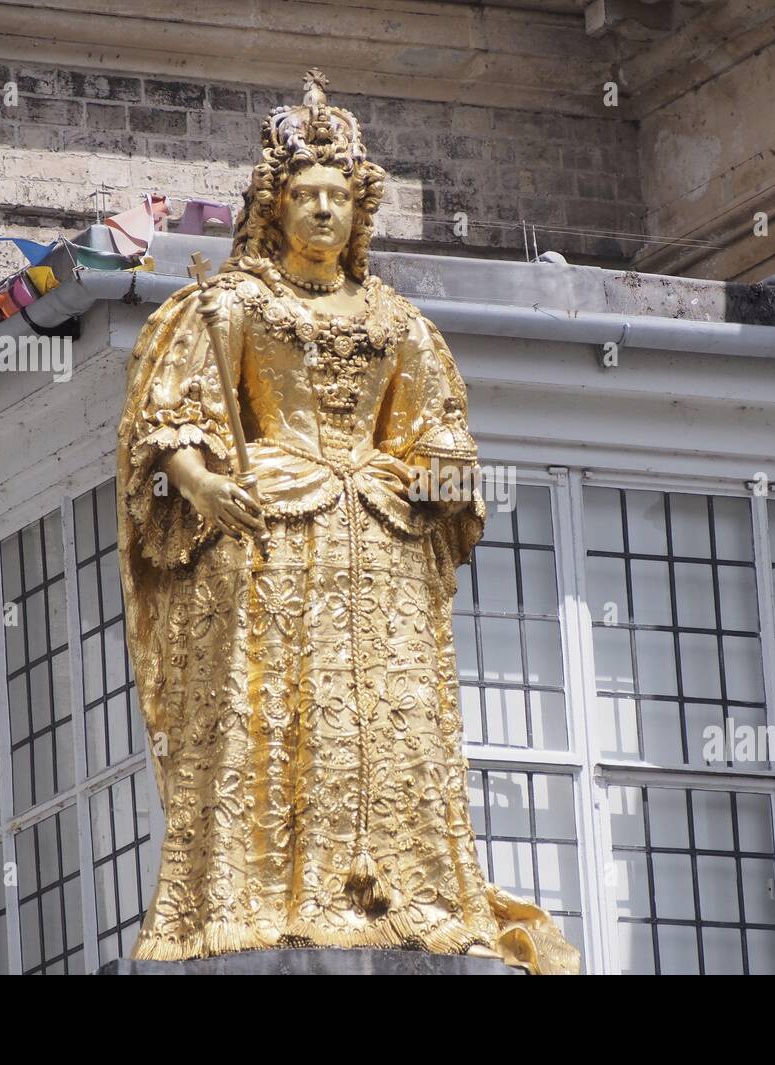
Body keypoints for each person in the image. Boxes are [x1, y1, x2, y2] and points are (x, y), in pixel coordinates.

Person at [115, 69, 580, 975]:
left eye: (337, 197)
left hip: (381, 536)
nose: (322, 211)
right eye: (305, 195)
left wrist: (445, 475)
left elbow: (439, 427)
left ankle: (404, 890)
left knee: (391, 719)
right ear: (275, 206)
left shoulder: (397, 319)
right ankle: (266, 891)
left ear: (358, 212)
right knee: (276, 713)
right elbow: (172, 418)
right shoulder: (229, 306)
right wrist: (201, 485)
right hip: (271, 530)